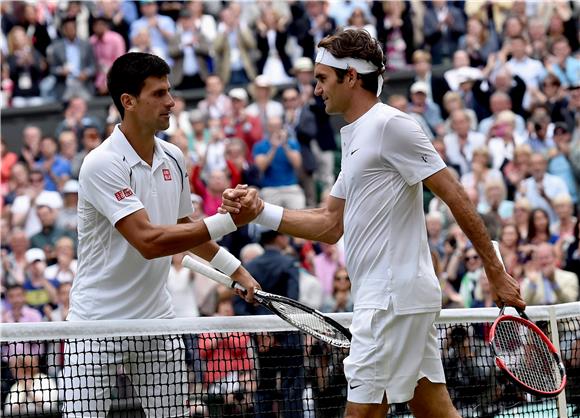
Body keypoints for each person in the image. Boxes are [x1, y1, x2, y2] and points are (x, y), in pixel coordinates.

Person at [221, 29, 525, 418]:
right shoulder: (354, 138)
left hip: (390, 302)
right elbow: (330, 223)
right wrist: (259, 211)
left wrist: (494, 271)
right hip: (393, 300)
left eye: (322, 79)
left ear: (351, 76)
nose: (316, 90)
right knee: (435, 409)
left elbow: (455, 196)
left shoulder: (391, 125)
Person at [62, 52, 262, 418]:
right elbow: (149, 242)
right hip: (94, 325)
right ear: (129, 101)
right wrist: (228, 220)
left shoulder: (174, 157)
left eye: (169, 91)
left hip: (156, 322)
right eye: (159, 94)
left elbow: (189, 233)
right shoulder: (102, 163)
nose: (171, 101)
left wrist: (238, 271)